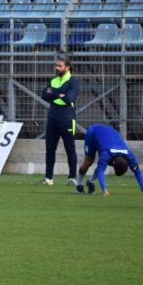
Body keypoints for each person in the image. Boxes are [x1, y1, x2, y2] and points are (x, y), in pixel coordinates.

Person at [76, 124, 143, 197]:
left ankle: (90, 182)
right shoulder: (106, 153)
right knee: (89, 161)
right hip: (93, 133)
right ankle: (79, 185)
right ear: (113, 163)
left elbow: (137, 171)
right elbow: (100, 171)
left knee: (102, 164)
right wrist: (104, 190)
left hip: (109, 133)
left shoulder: (129, 154)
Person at [40, 53, 78, 186]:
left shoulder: (73, 81)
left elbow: (69, 99)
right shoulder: (53, 80)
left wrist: (54, 94)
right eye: (56, 65)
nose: (57, 68)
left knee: (70, 149)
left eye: (60, 66)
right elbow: (44, 95)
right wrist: (59, 93)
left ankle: (72, 177)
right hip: (52, 117)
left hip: (67, 118)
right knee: (50, 149)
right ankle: (48, 178)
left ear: (67, 68)